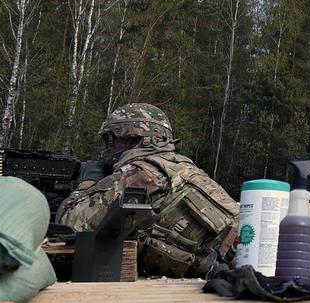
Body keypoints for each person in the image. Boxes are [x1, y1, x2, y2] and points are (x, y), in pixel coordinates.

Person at [57, 103, 239, 278]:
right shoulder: (185, 167)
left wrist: (89, 181)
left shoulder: (139, 174)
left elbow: (70, 224)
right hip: (236, 263)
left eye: (111, 139)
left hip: (226, 271)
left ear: (130, 139)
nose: (109, 148)